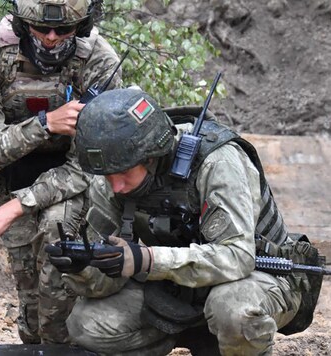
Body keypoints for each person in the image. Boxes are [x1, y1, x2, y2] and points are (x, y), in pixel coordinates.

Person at [46, 88, 323, 355]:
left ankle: (229, 339)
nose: (116, 186)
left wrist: (146, 260)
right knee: (86, 324)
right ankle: (199, 337)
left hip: (260, 277)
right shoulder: (111, 174)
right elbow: (106, 284)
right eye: (108, 176)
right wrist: (85, 266)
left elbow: (238, 256)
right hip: (182, 287)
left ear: (152, 156)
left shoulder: (218, 161)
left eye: (123, 174)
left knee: (233, 310)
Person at [0, 0, 123, 344]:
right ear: (22, 24)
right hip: (15, 175)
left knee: (57, 242)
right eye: (41, 29)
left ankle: (63, 345)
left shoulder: (99, 60)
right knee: (31, 309)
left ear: (79, 27)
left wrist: (18, 206)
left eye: (63, 30)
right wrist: (46, 124)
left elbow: (91, 164)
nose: (51, 38)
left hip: (76, 184)